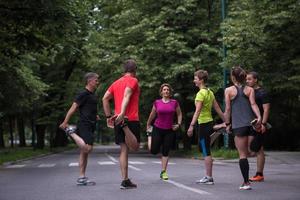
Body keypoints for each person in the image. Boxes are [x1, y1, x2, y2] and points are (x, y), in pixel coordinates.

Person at [102, 59, 140, 189]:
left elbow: (105, 98)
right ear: (135, 70)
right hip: (129, 118)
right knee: (134, 147)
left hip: (117, 118)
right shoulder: (133, 80)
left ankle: (125, 180)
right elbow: (126, 95)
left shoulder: (116, 83)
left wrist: (108, 116)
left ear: (124, 70)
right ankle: (125, 126)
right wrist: (123, 114)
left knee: (124, 149)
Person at [224, 66, 261, 190]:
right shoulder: (250, 89)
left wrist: (227, 124)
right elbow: (253, 104)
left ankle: (246, 183)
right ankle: (255, 149)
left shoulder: (228, 90)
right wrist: (259, 117)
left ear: (233, 77)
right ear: (244, 77)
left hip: (238, 126)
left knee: (242, 155)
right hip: (251, 124)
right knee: (250, 151)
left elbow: (228, 109)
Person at [59, 72, 99, 185]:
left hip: (91, 124)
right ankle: (70, 131)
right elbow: (73, 107)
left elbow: (87, 109)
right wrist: (65, 122)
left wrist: (95, 115)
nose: (97, 82)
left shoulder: (92, 95)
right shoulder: (83, 94)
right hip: (84, 124)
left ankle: (81, 177)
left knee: (84, 152)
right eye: (96, 80)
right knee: (88, 149)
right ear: (90, 81)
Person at [187, 70, 225, 185]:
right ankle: (218, 127)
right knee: (205, 147)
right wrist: (226, 121)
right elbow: (218, 108)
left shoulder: (200, 94)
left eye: (196, 78)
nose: (194, 80)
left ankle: (209, 177)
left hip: (203, 124)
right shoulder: (209, 92)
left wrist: (191, 125)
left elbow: (197, 111)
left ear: (201, 80)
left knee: (205, 150)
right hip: (209, 122)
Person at [146, 83, 182, 180]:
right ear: (161, 92)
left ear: (170, 92)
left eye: (168, 90)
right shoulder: (157, 102)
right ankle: (149, 136)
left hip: (169, 130)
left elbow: (179, 114)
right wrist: (148, 124)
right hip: (157, 128)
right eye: (164, 90)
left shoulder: (174, 103)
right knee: (153, 151)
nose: (166, 91)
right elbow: (152, 114)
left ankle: (163, 172)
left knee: (166, 151)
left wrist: (178, 124)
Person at [246, 71, 270, 182]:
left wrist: (263, 124)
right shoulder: (248, 91)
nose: (247, 81)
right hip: (250, 124)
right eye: (246, 79)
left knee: (259, 149)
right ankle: (259, 174)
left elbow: (266, 110)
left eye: (250, 79)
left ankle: (259, 174)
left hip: (260, 124)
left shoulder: (262, 92)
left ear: (255, 79)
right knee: (251, 149)